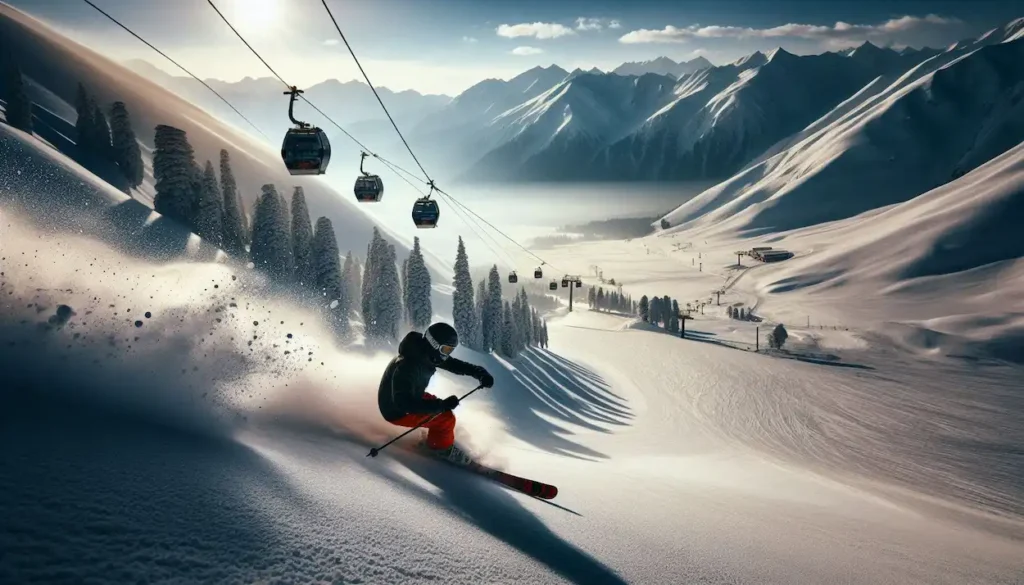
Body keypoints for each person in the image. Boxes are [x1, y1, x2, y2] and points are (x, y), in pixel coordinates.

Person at [377, 322, 494, 465]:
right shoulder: (409, 364)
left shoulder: (427, 353)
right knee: (446, 418)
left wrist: (480, 374)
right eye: (445, 350)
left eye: (450, 350)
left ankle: (437, 438)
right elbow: (403, 403)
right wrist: (441, 405)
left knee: (439, 408)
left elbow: (456, 365)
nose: (447, 355)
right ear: (434, 344)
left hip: (411, 396)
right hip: (396, 410)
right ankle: (440, 449)